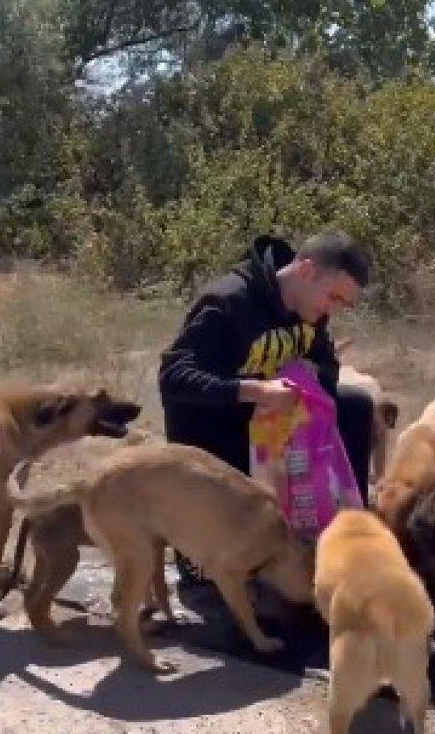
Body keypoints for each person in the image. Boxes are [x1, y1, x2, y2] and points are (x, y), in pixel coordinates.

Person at [159, 231, 375, 586]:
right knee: (227, 573)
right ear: (306, 270)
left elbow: (326, 366)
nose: (332, 310)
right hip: (218, 435)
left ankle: (346, 534)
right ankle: (204, 558)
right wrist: (253, 390)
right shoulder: (228, 302)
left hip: (271, 428)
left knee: (355, 407)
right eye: (333, 297)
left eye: (342, 304)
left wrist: (310, 375)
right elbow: (173, 376)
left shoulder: (310, 311)